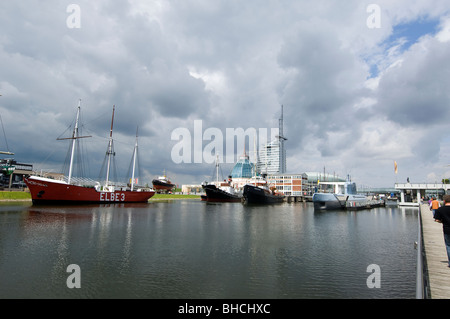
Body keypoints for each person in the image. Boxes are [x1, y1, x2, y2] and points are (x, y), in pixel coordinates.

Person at [434, 195, 450, 267]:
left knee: (448, 245)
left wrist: (442, 221)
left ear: (444, 201)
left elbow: (437, 220)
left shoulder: (440, 210)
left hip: (447, 230)